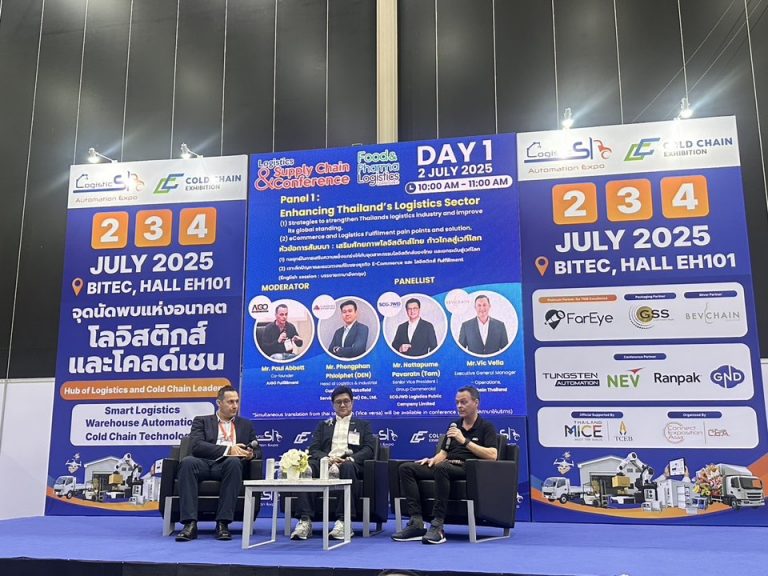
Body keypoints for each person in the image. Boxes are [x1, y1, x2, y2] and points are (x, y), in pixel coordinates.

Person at [392, 386, 498, 545]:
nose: (459, 406)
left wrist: (464, 441)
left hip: (468, 468)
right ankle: (416, 522)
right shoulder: (454, 425)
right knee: (406, 468)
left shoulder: (486, 427)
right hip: (446, 465)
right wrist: (432, 460)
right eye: (457, 403)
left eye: (464, 402)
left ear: (476, 403)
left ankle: (438, 525)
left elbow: (493, 455)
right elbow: (444, 453)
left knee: (442, 468)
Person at [174, 385, 261, 542]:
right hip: (203, 463)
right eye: (230, 402)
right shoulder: (201, 421)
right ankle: (189, 524)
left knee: (234, 463)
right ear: (219, 403)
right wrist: (228, 449)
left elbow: (258, 450)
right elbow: (197, 446)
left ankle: (223, 524)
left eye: (237, 401)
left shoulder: (245, 425)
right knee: (187, 462)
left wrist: (250, 455)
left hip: (227, 466)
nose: (235, 406)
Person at [290, 385, 376, 541]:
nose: (342, 405)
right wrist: (327, 459)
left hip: (350, 463)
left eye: (346, 401)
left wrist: (350, 459)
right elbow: (314, 448)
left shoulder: (363, 425)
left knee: (348, 466)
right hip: (326, 462)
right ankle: (305, 520)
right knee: (307, 467)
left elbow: (369, 448)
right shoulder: (324, 425)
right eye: (338, 402)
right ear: (333, 405)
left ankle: (343, 521)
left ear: (352, 403)